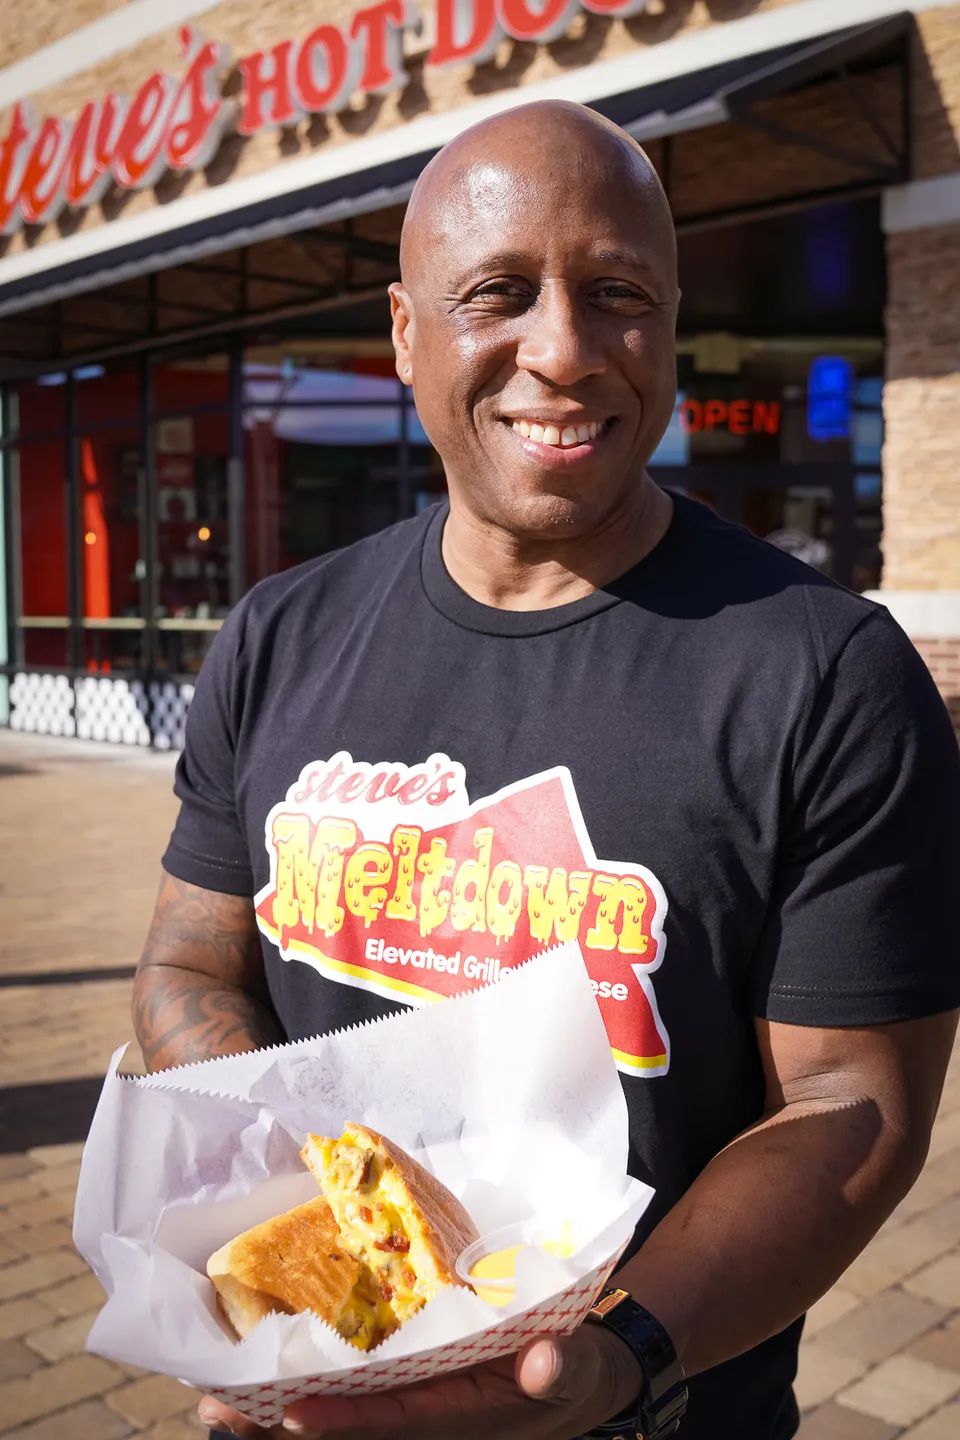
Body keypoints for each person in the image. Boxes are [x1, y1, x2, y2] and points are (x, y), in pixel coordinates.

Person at [132, 100, 960, 1440]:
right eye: (499, 292)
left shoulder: (826, 677)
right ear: (407, 333)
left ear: (671, 324)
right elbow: (187, 964)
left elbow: (851, 1101)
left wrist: (618, 1360)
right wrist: (312, 1201)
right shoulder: (279, 637)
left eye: (618, 292)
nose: (565, 350)